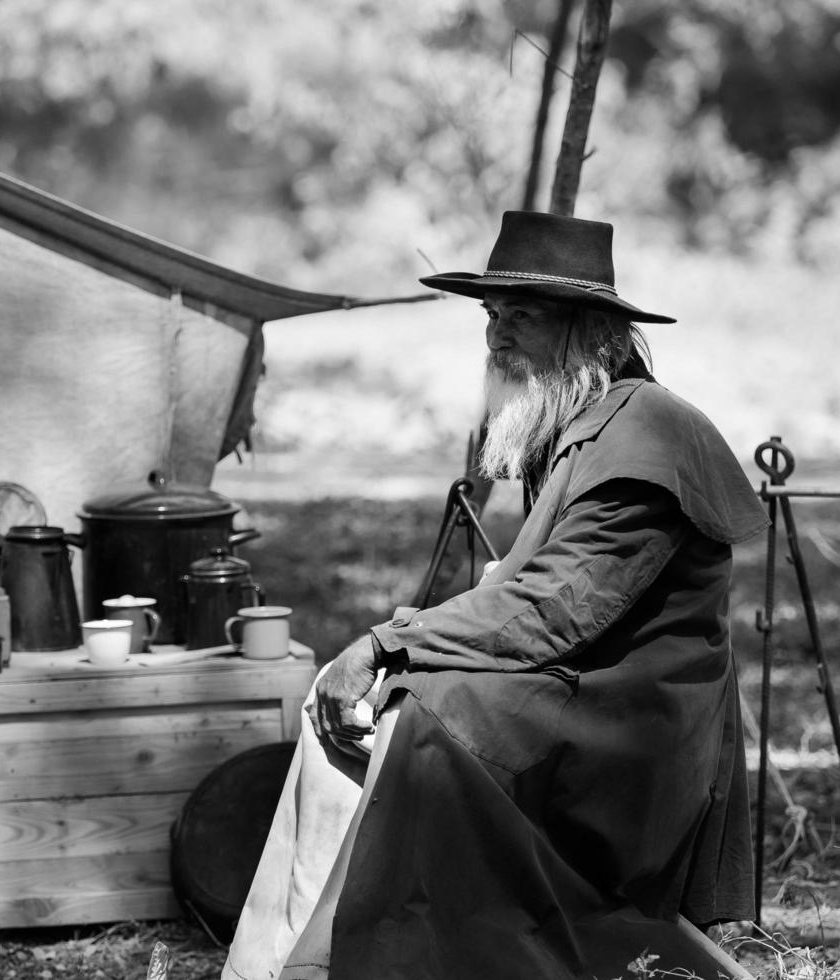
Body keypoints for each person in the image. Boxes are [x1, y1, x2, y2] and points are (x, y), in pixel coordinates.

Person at [221, 211, 768, 980]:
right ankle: (293, 957)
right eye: (493, 316)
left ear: (598, 338)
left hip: (632, 728)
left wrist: (386, 641)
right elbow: (533, 595)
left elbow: (550, 612)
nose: (497, 338)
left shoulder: (644, 438)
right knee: (346, 705)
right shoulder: (581, 419)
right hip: (578, 685)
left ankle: (346, 957)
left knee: (425, 708)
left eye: (525, 318)